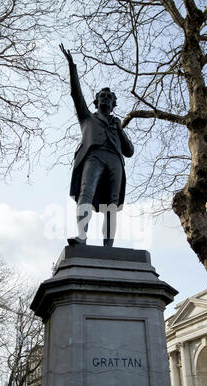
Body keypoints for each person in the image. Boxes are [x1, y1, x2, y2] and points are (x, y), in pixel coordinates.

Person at [60, 44, 134, 247]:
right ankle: (81, 236)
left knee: (112, 203)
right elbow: (76, 95)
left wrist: (119, 129)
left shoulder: (116, 124)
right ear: (96, 101)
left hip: (115, 161)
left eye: (109, 97)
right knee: (86, 192)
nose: (106, 98)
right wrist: (72, 68)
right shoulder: (87, 118)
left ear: (114, 104)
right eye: (102, 96)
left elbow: (129, 151)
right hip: (94, 156)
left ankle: (108, 245)